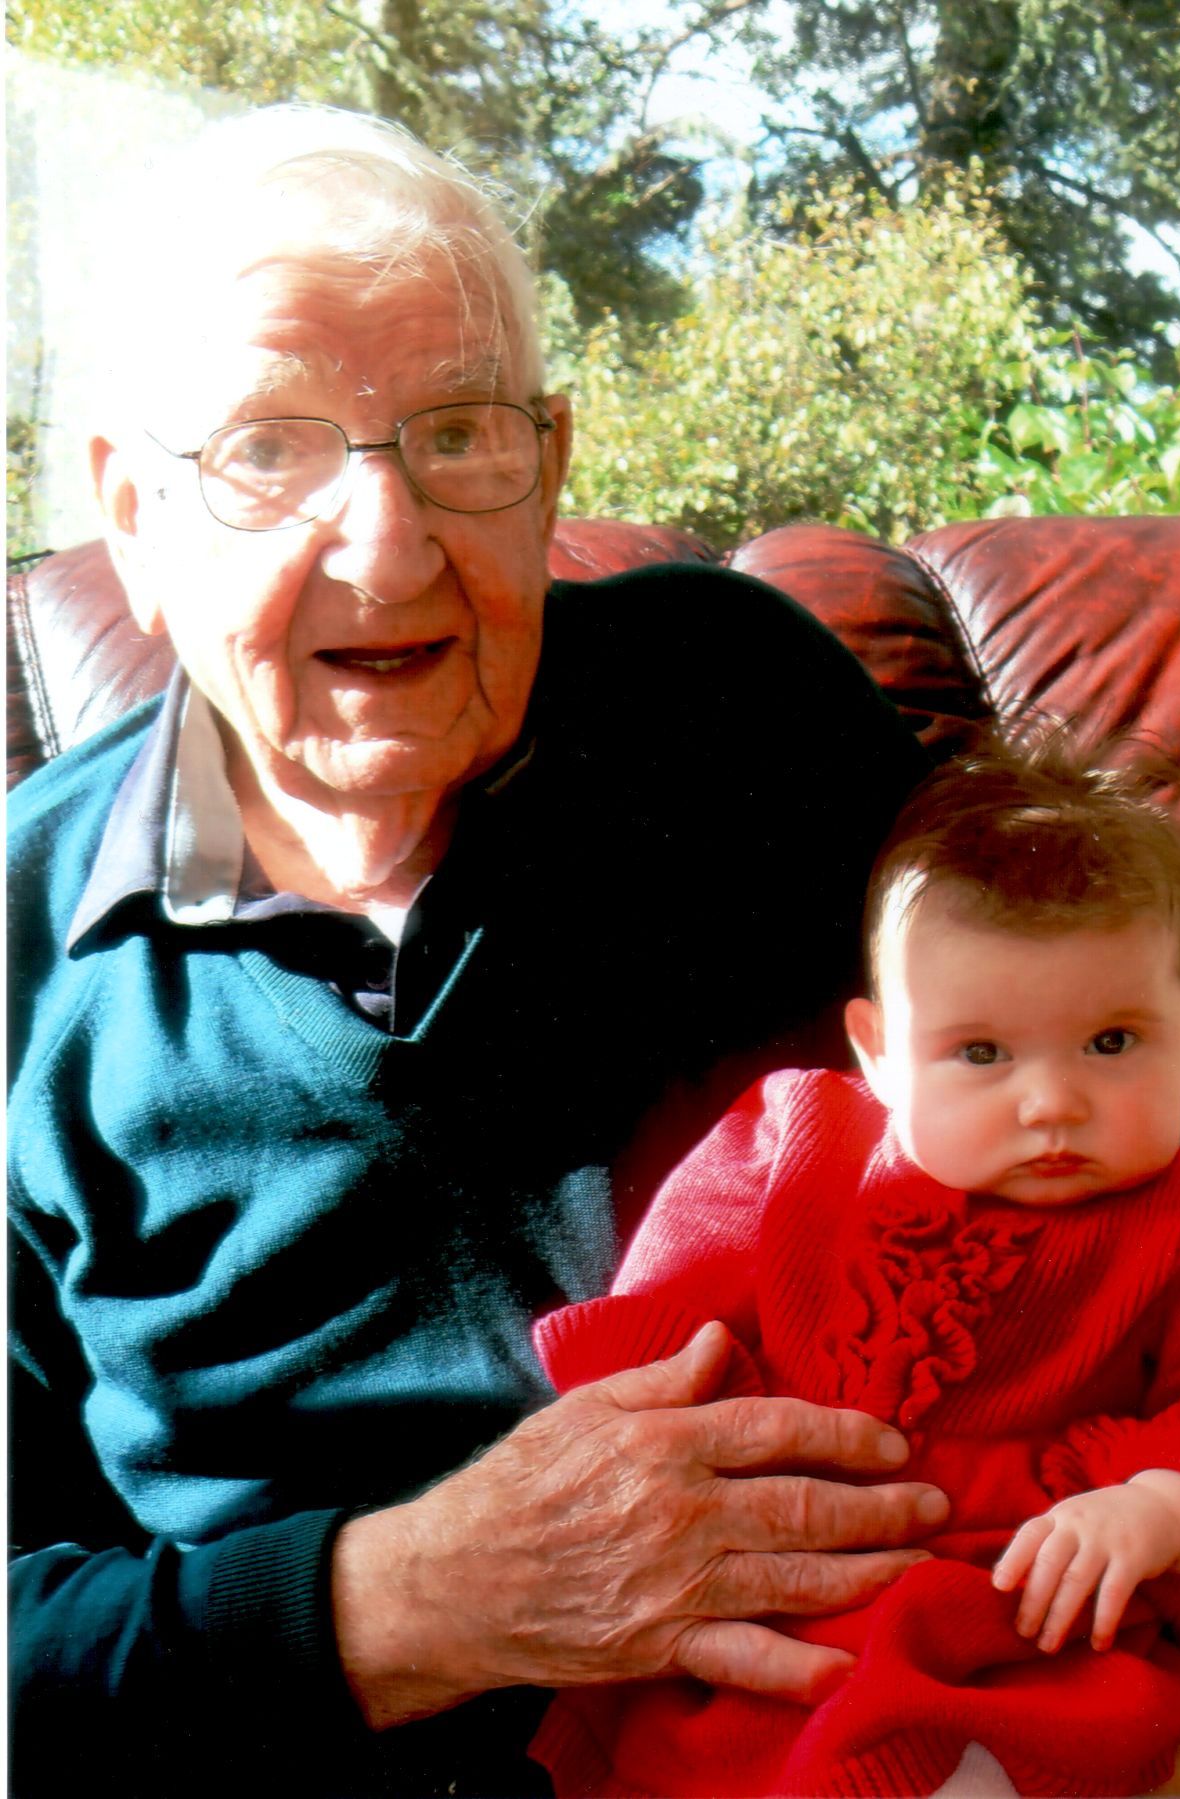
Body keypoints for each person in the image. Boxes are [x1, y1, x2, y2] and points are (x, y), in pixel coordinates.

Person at [7, 103, 948, 1798]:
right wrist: (414, 1604)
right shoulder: (22, 946)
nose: (390, 541)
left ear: (553, 463)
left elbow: (1115, 1076)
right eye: (269, 450)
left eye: (457, 434)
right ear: (133, 517)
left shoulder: (740, 707)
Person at [531, 733, 1180, 1799]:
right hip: (776, 1577)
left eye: (1113, 1041)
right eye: (981, 1052)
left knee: (1032, 1743)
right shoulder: (798, 1142)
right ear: (880, 1054)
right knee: (697, 1749)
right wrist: (680, 1419)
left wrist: (1162, 1507)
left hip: (1022, 1601)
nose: (1053, 1102)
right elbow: (663, 1312)